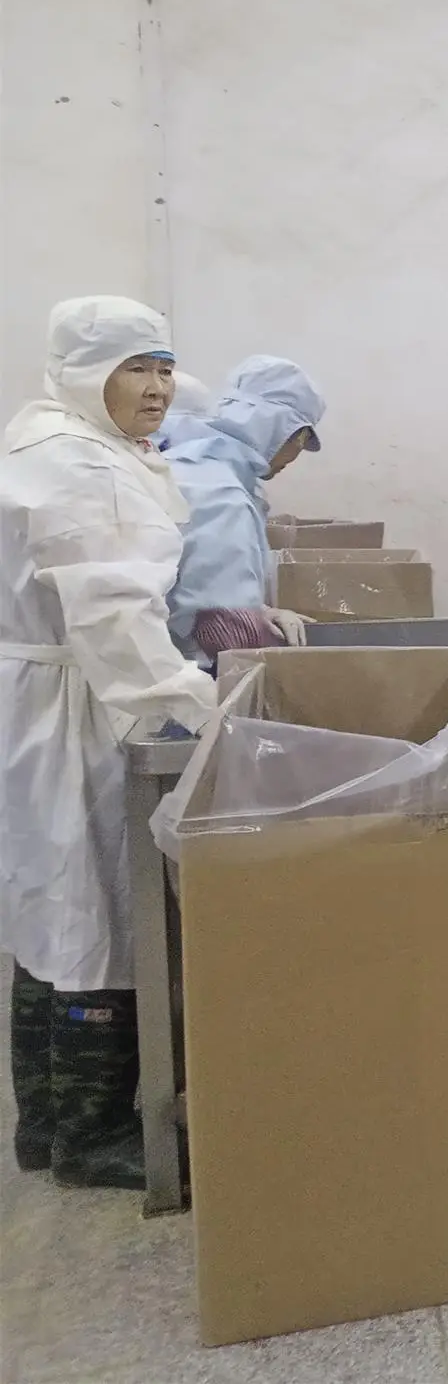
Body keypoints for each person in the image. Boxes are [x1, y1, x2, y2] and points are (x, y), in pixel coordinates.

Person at [1, 297, 218, 1188]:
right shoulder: (81, 465)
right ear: (87, 373)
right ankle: (93, 1139)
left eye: (165, 366)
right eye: (136, 367)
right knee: (98, 911)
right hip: (79, 702)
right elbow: (114, 617)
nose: (158, 387)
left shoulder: (51, 442)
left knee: (48, 910)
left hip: (46, 695)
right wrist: (200, 711)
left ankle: (45, 1123)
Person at [161, 356, 327, 662]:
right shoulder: (223, 495)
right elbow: (227, 634)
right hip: (184, 672)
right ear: (283, 430)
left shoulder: (188, 463)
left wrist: (259, 610)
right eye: (301, 441)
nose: (295, 455)